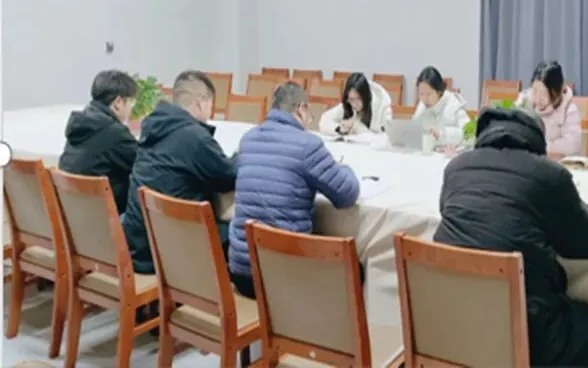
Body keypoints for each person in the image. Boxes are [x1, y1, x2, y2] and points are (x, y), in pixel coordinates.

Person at [434, 107, 588, 367]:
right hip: (520, 331)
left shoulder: (456, 167)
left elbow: (446, 210)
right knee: (587, 322)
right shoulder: (550, 175)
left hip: (447, 322)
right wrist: (580, 205)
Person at [228, 82, 360, 298]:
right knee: (355, 267)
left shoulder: (248, 139)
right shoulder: (307, 145)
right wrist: (343, 168)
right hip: (283, 277)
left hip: (242, 271)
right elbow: (347, 194)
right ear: (301, 109)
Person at [121, 70, 236, 274]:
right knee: (239, 232)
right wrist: (240, 155)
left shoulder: (152, 127)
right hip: (168, 254)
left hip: (139, 245)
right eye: (211, 105)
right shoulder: (194, 137)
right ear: (200, 102)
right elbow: (229, 176)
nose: (211, 113)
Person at [59, 70, 139, 214]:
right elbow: (145, 164)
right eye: (131, 103)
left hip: (73, 216)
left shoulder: (81, 124)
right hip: (104, 220)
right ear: (118, 102)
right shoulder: (114, 133)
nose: (131, 110)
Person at [515, 60, 582, 159]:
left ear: (555, 92)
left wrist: (537, 145)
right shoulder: (525, 102)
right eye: (535, 90)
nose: (537, 98)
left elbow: (572, 146)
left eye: (543, 93)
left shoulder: (569, 110)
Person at [412, 66, 470, 146]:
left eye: (429, 94)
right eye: (421, 94)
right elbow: (414, 131)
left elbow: (469, 135)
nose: (424, 99)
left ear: (439, 91)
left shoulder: (454, 104)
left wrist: (443, 134)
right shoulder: (422, 105)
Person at [318, 72, 393, 134]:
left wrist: (358, 127)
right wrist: (339, 128)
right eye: (351, 99)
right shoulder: (348, 103)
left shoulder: (382, 106)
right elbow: (324, 119)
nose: (354, 104)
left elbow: (386, 138)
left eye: (359, 99)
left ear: (366, 96)